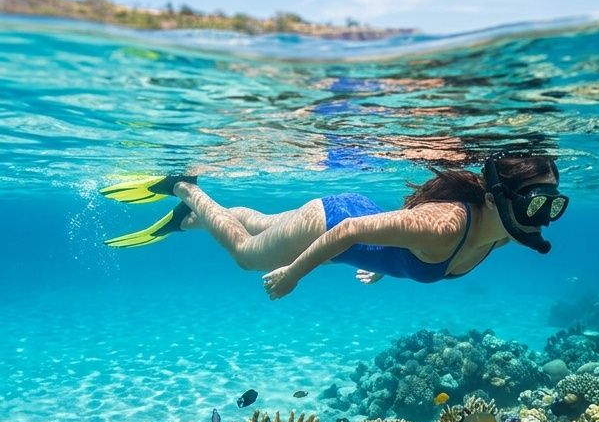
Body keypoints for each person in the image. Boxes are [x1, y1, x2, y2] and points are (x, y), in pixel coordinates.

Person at [99, 154, 568, 300]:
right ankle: (184, 187)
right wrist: (293, 275)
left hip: (349, 226)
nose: (543, 218)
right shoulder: (445, 227)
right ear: (497, 195)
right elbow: (349, 233)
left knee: (260, 224)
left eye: (553, 205)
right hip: (335, 223)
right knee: (247, 254)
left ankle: (189, 221)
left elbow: (409, 247)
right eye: (534, 203)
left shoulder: (504, 235)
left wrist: (387, 264)